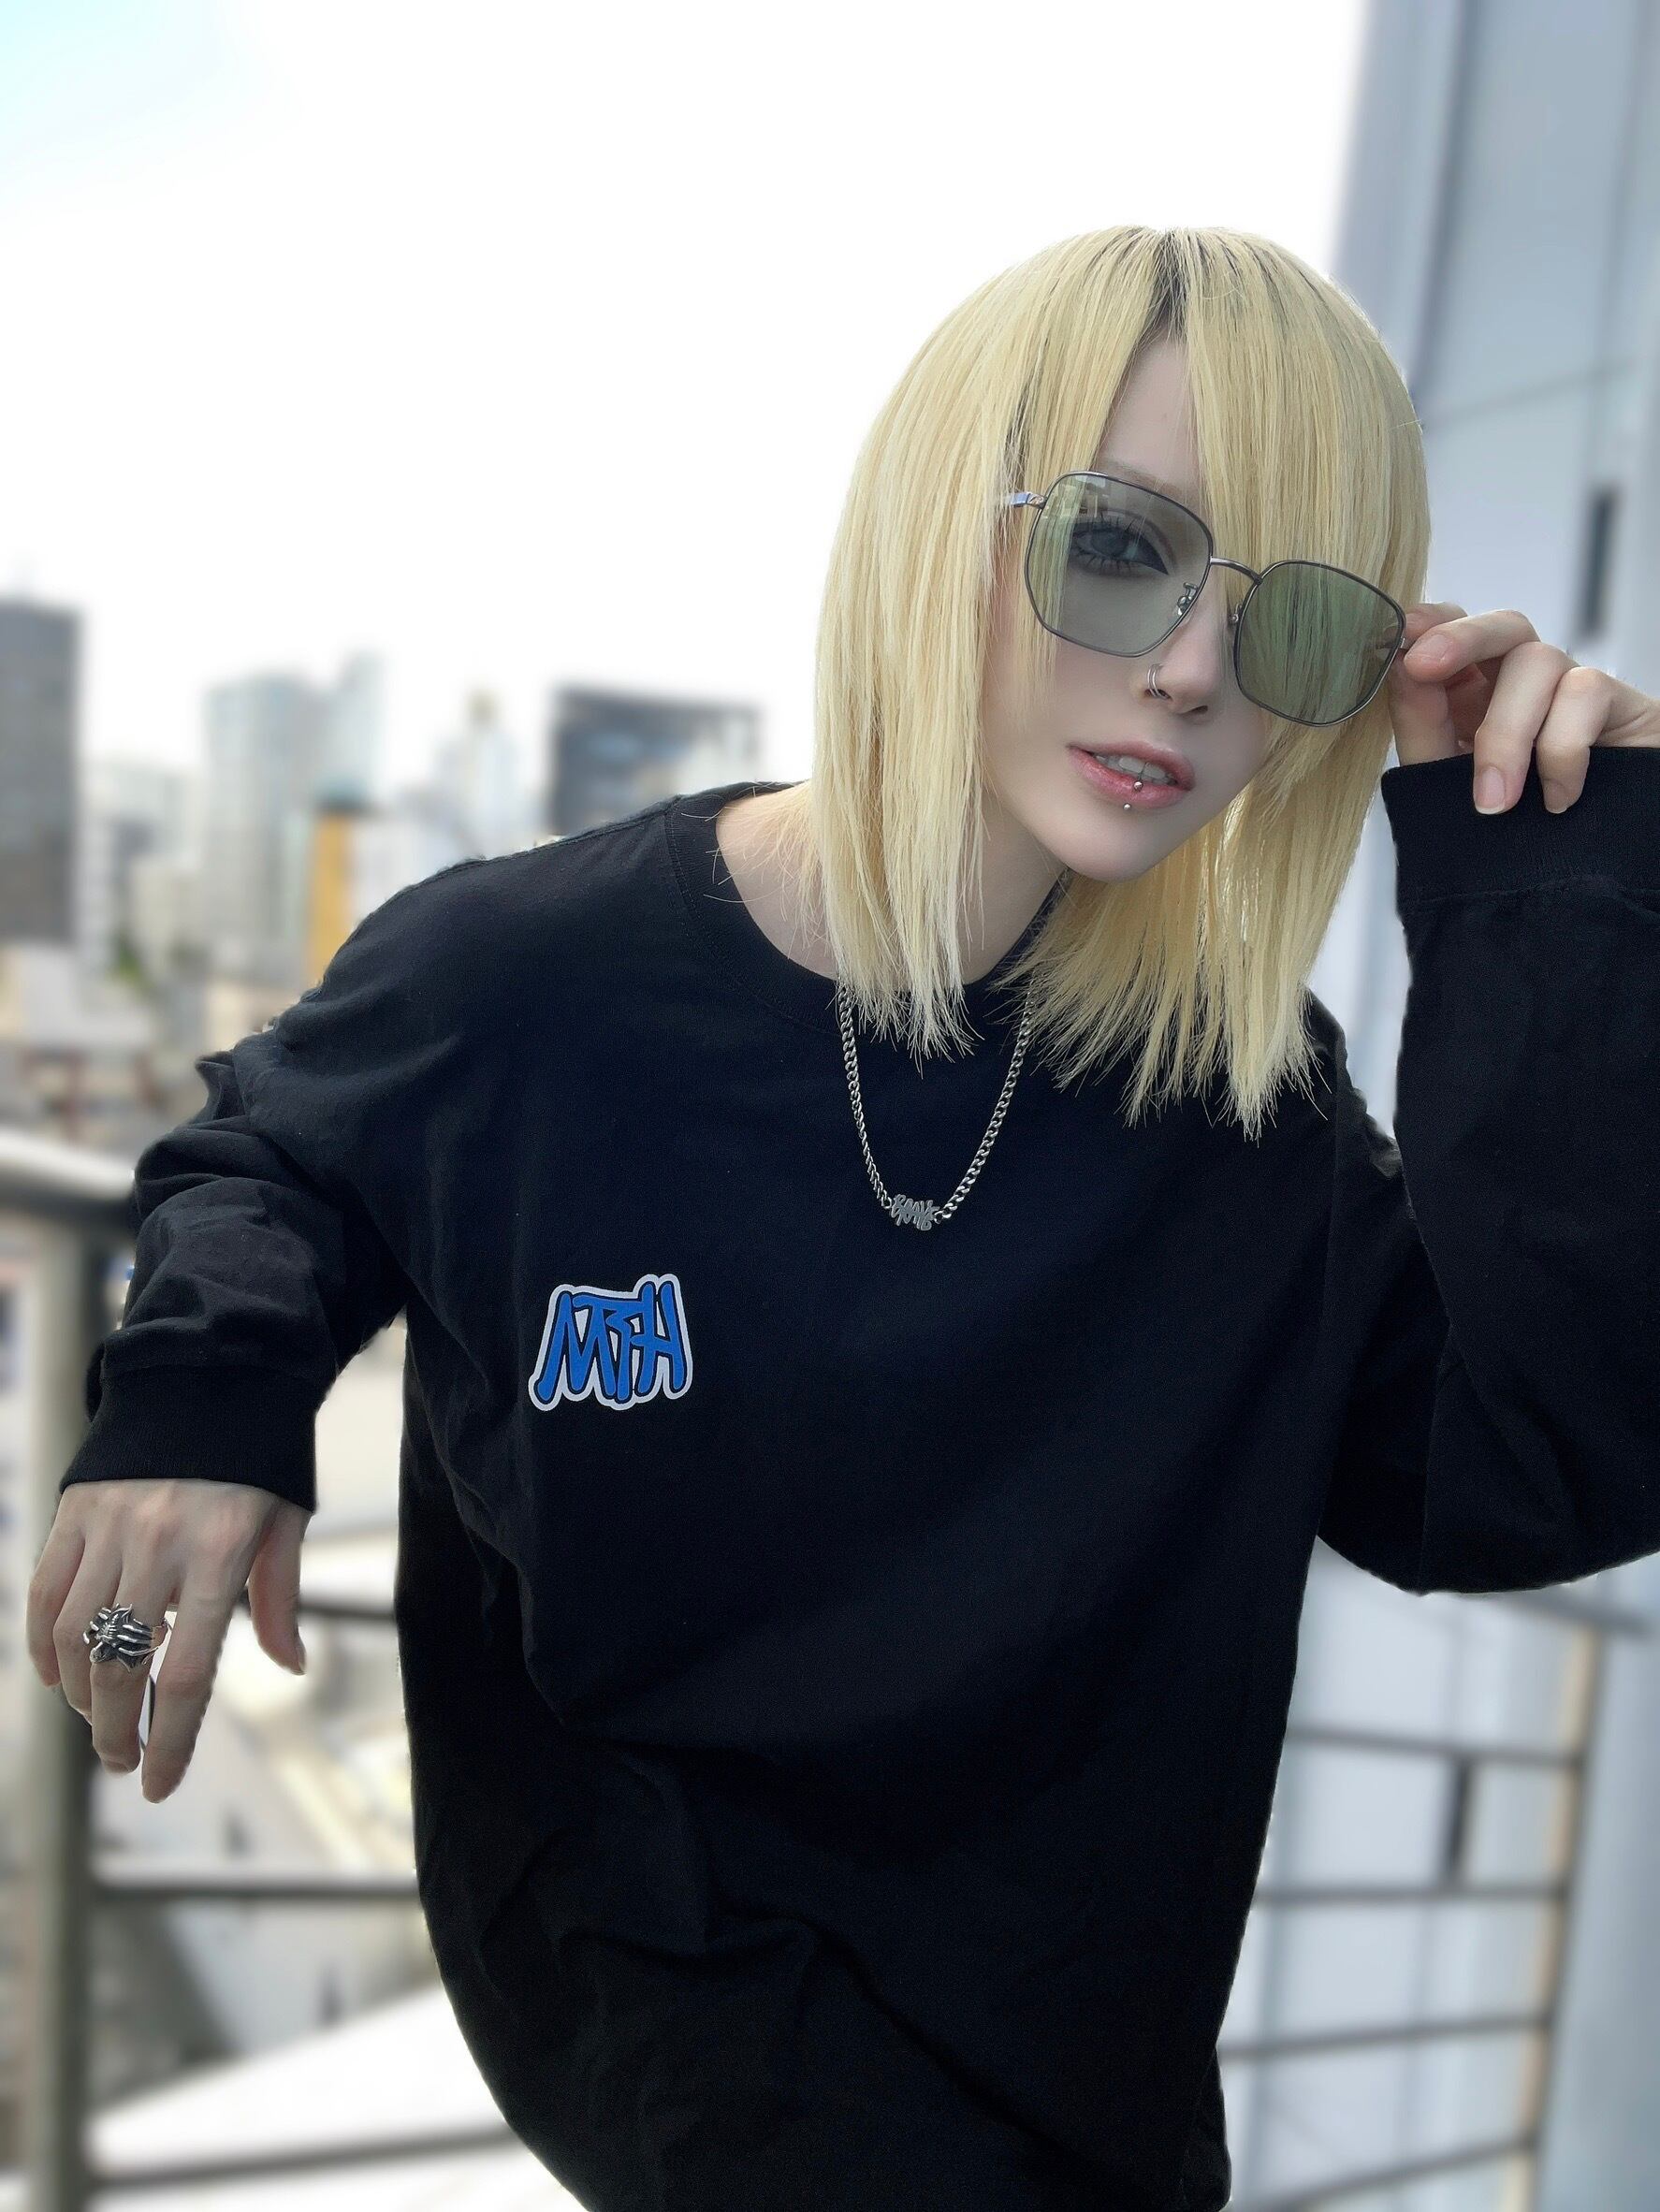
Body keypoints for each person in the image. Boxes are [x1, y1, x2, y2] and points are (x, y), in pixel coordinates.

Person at [26, 224, 1660, 2212]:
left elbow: (1518, 1470)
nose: (1188, 669)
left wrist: (1553, 896)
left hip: (1081, 2135)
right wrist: (201, 1400)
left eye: (1294, 625)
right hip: (675, 2059)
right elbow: (276, 1152)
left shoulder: (1241, 1111)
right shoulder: (526, 974)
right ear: (938, 519)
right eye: (1117, 547)